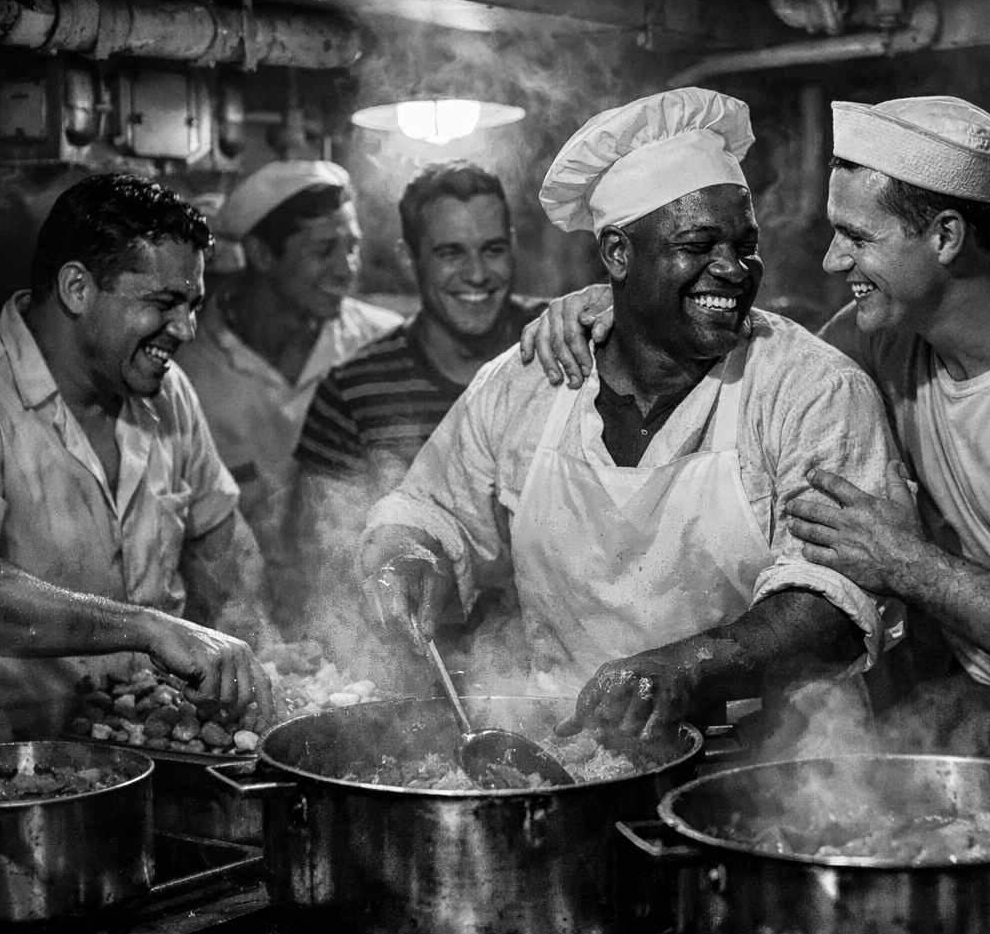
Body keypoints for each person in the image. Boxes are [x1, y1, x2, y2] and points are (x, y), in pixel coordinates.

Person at [524, 97, 990, 808]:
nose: (835, 260)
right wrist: (624, 304)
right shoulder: (892, 332)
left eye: (857, 237)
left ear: (947, 237)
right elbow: (762, 347)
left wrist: (901, 561)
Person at [360, 89, 901, 741]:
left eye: (744, 244)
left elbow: (834, 598)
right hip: (571, 760)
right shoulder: (527, 383)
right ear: (618, 253)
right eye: (698, 244)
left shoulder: (812, 390)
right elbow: (425, 511)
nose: (732, 269)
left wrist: (686, 668)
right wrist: (406, 557)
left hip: (772, 771)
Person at [0, 174, 273, 745]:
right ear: (76, 288)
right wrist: (145, 628)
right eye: (165, 303)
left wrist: (263, 657)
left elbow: (225, 550)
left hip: (152, 749)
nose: (187, 329)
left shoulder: (169, 393)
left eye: (193, 305)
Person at [174, 161, 402, 573]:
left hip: (352, 606)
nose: (346, 267)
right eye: (324, 250)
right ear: (262, 254)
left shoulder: (382, 345)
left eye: (352, 247)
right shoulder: (185, 368)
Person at [294, 161, 543, 499]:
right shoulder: (351, 391)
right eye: (450, 253)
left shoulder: (562, 338)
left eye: (493, 250)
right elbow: (319, 543)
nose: (477, 273)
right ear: (409, 261)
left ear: (512, 247)